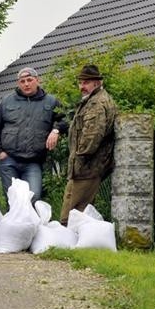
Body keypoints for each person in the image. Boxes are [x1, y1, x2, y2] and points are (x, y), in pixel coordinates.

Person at [0, 66, 67, 202]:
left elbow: (66, 119)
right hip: (9, 160)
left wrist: (56, 130)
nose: (26, 84)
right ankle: (14, 223)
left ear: (37, 80)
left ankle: (33, 223)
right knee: (13, 200)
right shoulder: (7, 101)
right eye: (22, 81)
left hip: (33, 162)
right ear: (18, 83)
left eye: (29, 80)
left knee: (34, 197)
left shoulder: (50, 101)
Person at [59, 64, 117, 225]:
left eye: (86, 83)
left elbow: (91, 137)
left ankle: (70, 246)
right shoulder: (92, 100)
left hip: (87, 166)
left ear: (96, 83)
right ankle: (72, 243)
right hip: (85, 167)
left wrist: (80, 157)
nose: (81, 86)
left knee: (74, 213)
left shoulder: (96, 104)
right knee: (76, 210)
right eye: (80, 82)